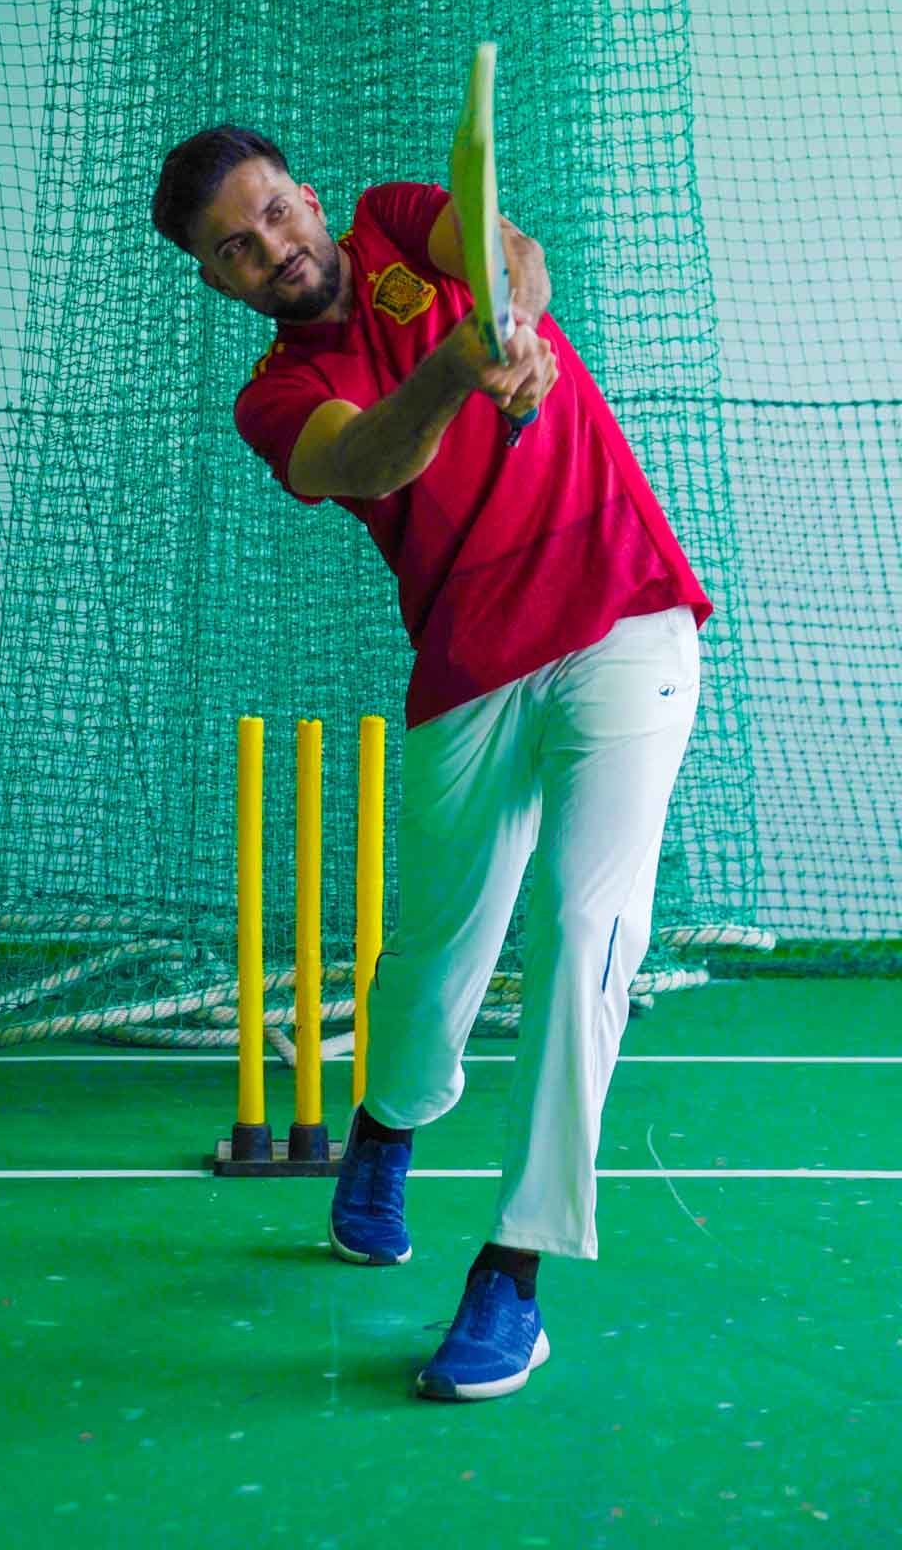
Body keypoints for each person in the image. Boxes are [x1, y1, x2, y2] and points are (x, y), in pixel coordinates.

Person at [152, 124, 711, 1402]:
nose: (276, 249)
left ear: (307, 192)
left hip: (627, 612)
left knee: (586, 931)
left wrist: (509, 312)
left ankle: (515, 1271)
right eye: (237, 251)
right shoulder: (273, 397)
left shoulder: (402, 221)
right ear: (220, 283)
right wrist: (465, 369)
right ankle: (388, 1126)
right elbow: (369, 455)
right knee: (441, 946)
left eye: (276, 213)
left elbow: (513, 249)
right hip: (471, 664)